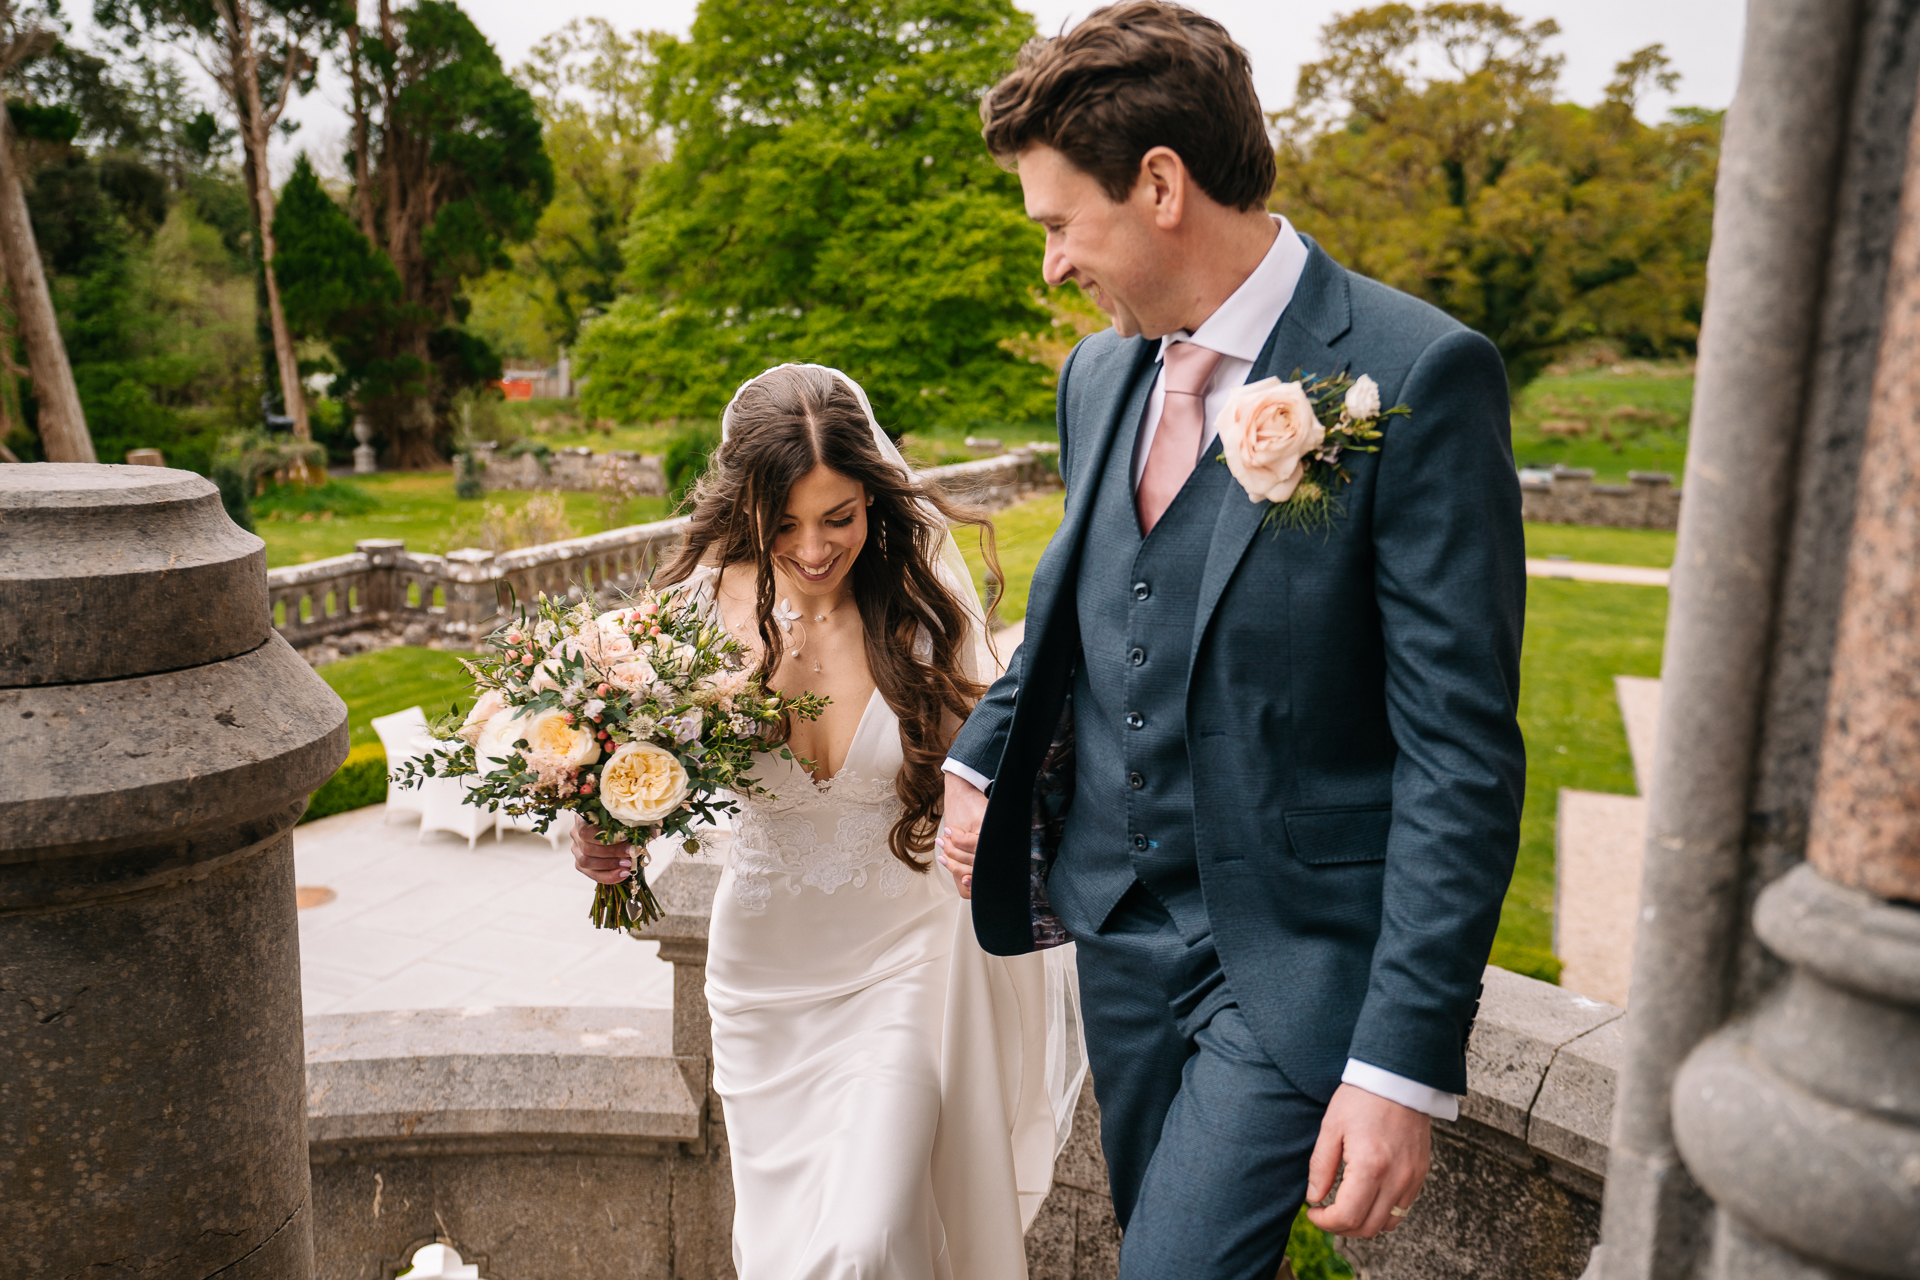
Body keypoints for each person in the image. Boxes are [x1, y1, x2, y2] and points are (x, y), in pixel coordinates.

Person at [934, 5, 1528, 1278]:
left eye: (1055, 224)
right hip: (1112, 929)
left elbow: (1460, 753)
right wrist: (982, 759)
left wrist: (1402, 1060)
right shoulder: (1101, 376)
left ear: (1159, 185)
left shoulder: (1416, 373)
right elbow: (1083, 606)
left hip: (1293, 963)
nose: (1051, 266)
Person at [572, 363, 1083, 1280]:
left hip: (906, 962)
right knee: (793, 1253)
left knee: (862, 1242)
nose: (813, 549)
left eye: (839, 517)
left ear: (873, 499)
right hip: (765, 979)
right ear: (747, 510)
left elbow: (994, 771)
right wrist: (599, 827)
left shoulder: (920, 616)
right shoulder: (684, 625)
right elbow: (618, 762)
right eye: (786, 525)